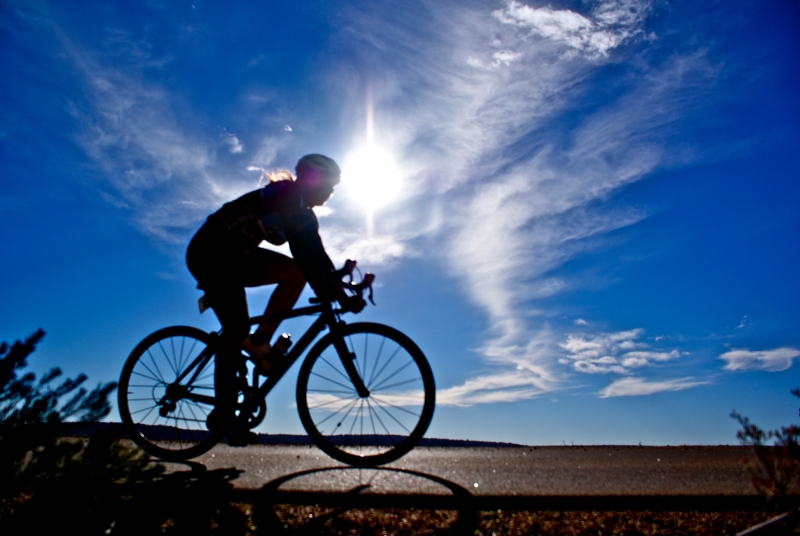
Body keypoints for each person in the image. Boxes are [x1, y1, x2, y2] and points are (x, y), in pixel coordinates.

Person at [186, 154, 362, 444]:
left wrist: (339, 288)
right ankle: (223, 416)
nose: (332, 192)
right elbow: (304, 251)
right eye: (330, 185)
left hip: (237, 255)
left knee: (295, 274)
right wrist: (336, 293)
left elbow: (315, 256)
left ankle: (258, 344)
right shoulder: (287, 195)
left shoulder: (303, 211)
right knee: (236, 328)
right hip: (210, 254)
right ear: (312, 179)